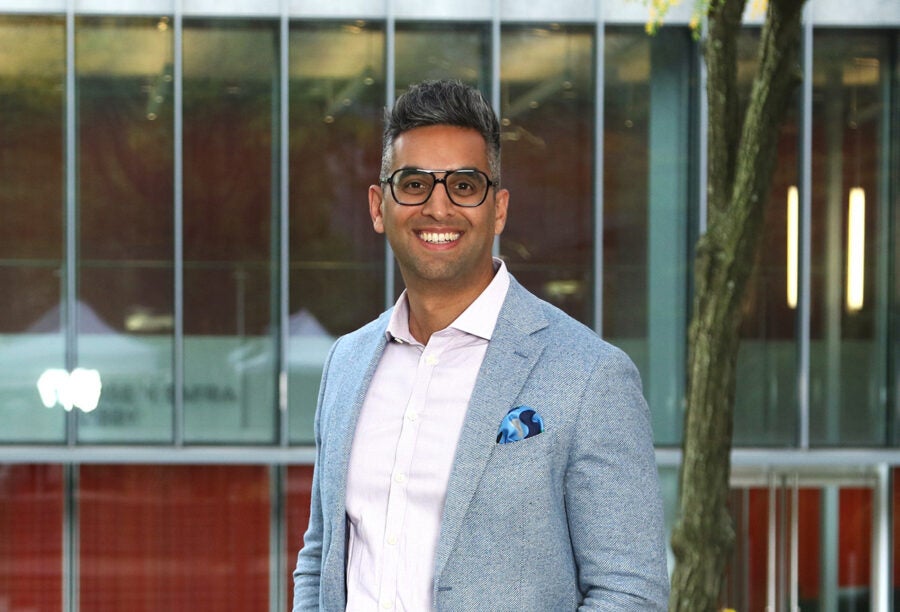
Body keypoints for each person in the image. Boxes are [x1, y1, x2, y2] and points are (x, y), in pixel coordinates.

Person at [293, 79, 669, 611]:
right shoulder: (346, 363)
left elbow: (629, 593)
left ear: (498, 209)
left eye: (464, 186)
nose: (438, 207)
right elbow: (320, 557)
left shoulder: (589, 376)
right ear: (379, 206)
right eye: (414, 183)